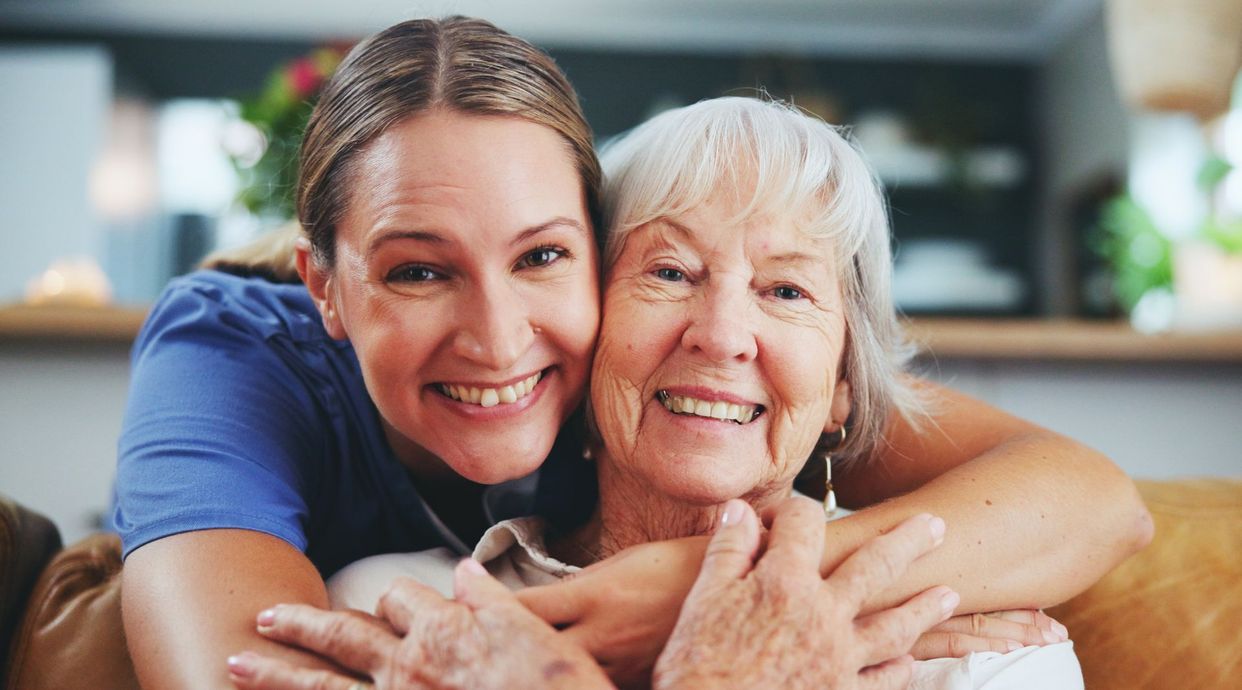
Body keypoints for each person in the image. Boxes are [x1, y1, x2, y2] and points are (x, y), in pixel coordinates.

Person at [112, 17, 1150, 690]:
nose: (499, 336)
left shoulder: (727, 384)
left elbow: (1096, 502)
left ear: (587, 263)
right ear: (324, 287)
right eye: (418, 271)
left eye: (542, 257)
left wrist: (692, 588)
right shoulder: (244, 369)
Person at [229, 499, 953, 690]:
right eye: (669, 273)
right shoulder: (397, 606)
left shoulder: (973, 646)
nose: (723, 333)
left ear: (841, 392)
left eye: (787, 291)